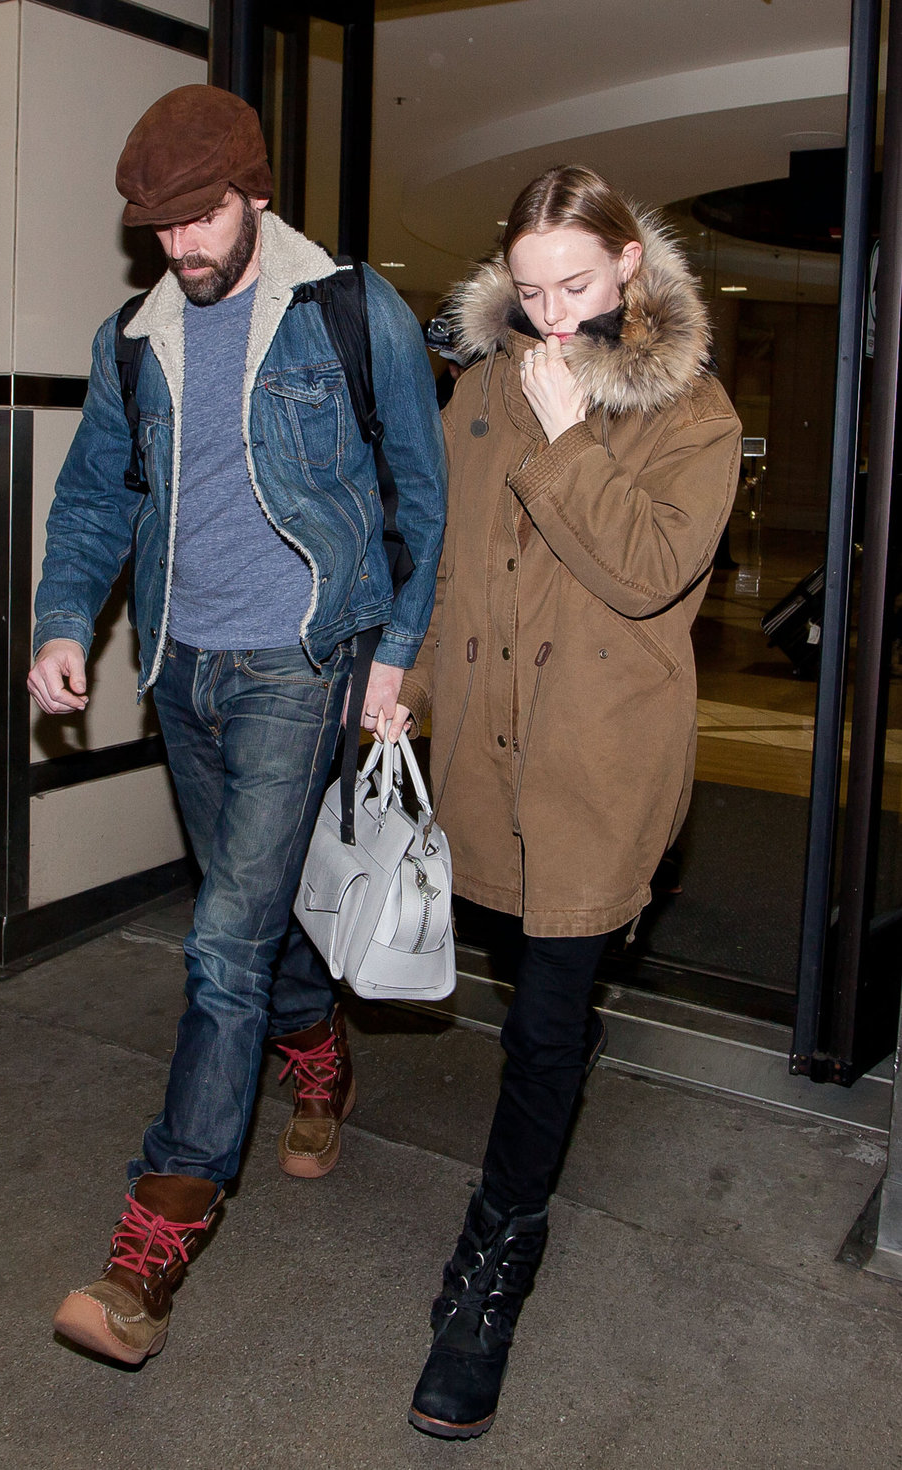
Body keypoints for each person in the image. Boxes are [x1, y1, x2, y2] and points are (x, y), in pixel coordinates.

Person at [28, 84, 445, 1367]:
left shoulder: (349, 311)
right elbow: (96, 496)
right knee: (248, 916)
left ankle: (149, 1251)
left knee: (217, 946)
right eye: (160, 229)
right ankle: (315, 1052)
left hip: (300, 666)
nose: (185, 248)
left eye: (202, 218)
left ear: (255, 194)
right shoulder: (132, 342)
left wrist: (396, 656)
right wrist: (59, 621)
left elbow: (421, 501)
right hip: (184, 670)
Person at [396, 164, 741, 1439]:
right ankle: (566, 1036)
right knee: (514, 968)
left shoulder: (692, 414)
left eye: (578, 286)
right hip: (484, 750)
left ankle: (496, 1261)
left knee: (540, 1027)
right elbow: (441, 564)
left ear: (630, 269)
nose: (550, 317)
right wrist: (407, 681)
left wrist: (565, 437)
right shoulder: (482, 387)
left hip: (599, 764)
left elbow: (649, 574)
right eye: (530, 290)